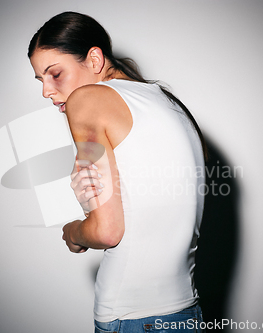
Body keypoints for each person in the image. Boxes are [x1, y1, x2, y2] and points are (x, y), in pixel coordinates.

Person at [28, 11, 207, 333]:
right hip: (187, 312)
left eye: (55, 74)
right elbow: (156, 204)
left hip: (133, 316)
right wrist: (89, 204)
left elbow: (106, 232)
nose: (46, 91)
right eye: (40, 80)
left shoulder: (87, 100)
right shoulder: (167, 102)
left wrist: (73, 231)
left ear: (94, 59)